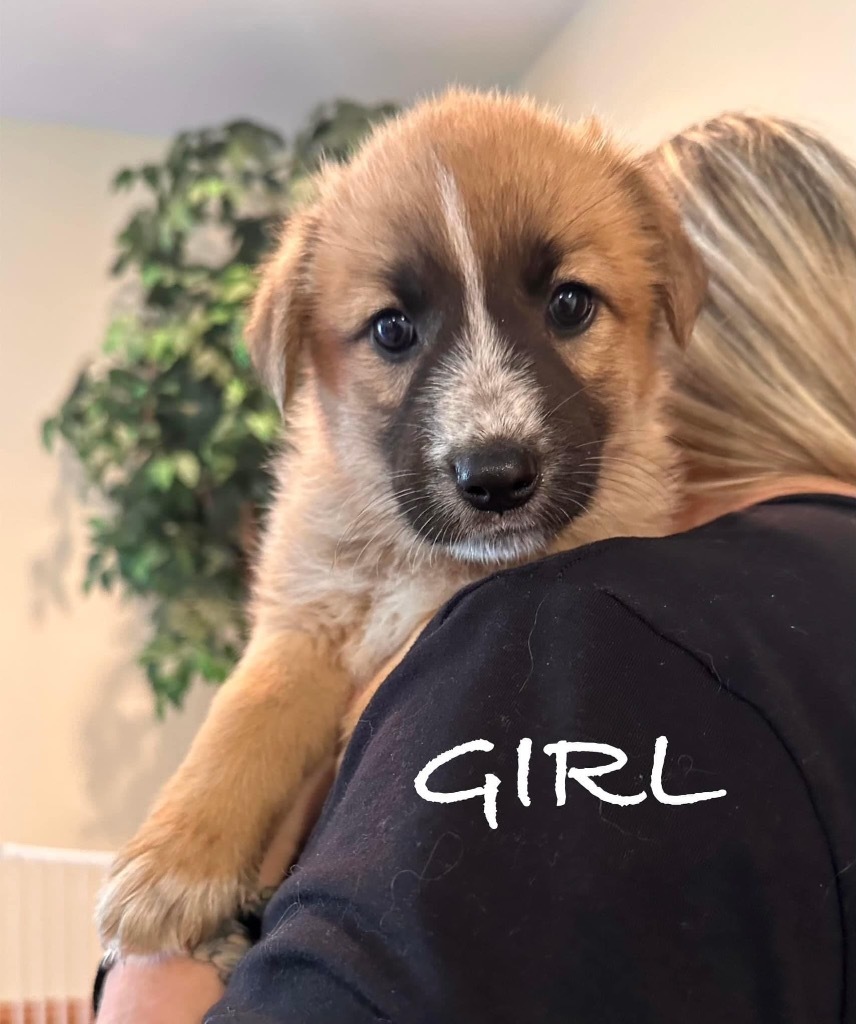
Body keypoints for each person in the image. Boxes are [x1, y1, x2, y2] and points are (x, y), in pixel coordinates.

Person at [96, 113, 856, 1023]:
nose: (488, 431)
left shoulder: (605, 617)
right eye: (391, 330)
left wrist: (142, 982)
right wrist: (200, 838)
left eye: (568, 307)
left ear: (677, 315)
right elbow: (297, 647)